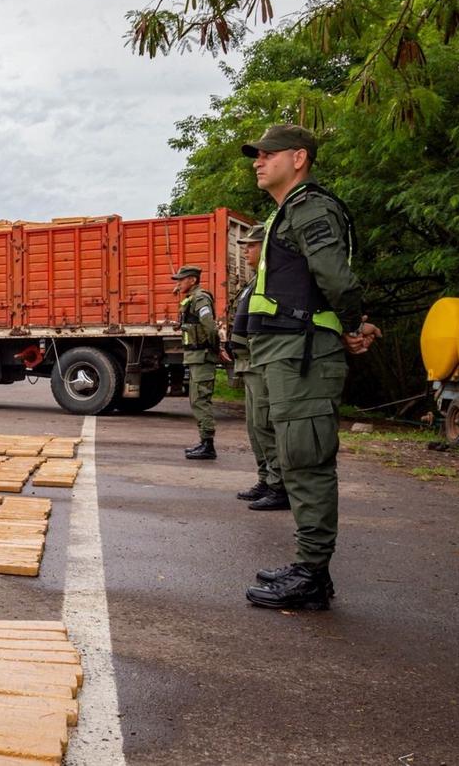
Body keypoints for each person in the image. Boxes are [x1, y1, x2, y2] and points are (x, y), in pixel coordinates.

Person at [239, 124, 380, 610]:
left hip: (303, 353)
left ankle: (312, 575)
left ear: (298, 157)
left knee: (306, 460)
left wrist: (352, 324)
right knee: (297, 457)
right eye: (255, 156)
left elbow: (335, 278)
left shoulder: (310, 207)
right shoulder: (286, 212)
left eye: (266, 154)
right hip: (286, 351)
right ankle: (309, 565)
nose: (258, 161)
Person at [229, 224, 288, 511]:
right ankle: (266, 479)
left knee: (265, 424)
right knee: (255, 427)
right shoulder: (255, 282)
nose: (246, 250)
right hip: (249, 362)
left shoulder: (275, 278)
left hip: (262, 361)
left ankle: (280, 485)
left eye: (251, 245)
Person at [174, 264, 226, 460]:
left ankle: (208, 445)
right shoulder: (192, 298)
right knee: (196, 399)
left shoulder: (201, 298)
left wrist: (215, 348)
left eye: (181, 280)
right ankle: (204, 442)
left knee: (201, 400)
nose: (178, 284)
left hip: (202, 355)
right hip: (196, 357)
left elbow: (210, 327)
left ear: (193, 280)